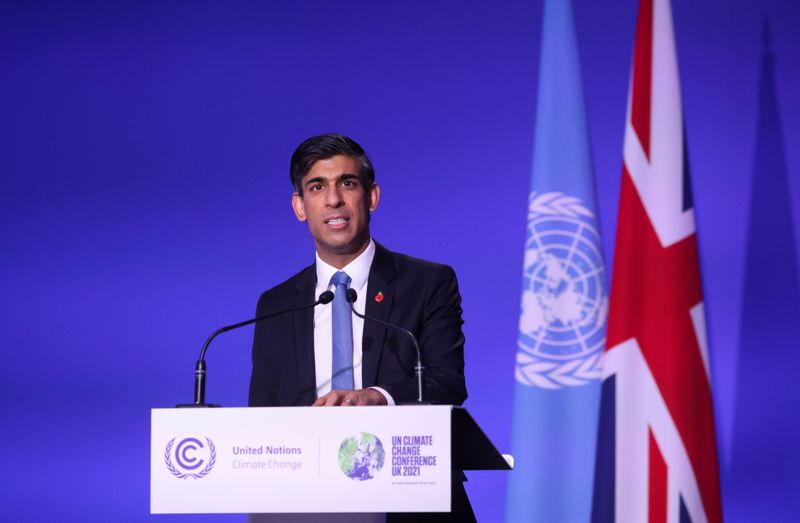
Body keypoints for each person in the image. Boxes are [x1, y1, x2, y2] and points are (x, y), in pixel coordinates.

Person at [248, 133, 473, 521]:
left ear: (371, 197)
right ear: (300, 206)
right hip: (305, 504)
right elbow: (263, 415)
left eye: (347, 183)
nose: (333, 199)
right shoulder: (276, 304)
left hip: (409, 499)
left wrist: (377, 398)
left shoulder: (428, 283)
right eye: (317, 187)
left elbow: (447, 382)